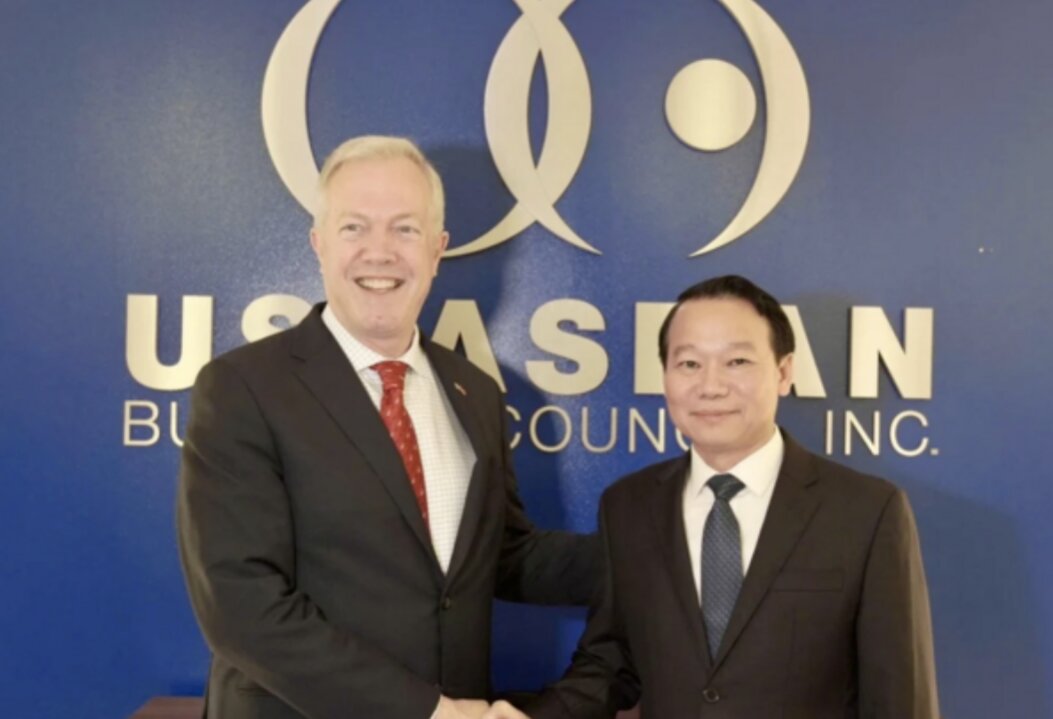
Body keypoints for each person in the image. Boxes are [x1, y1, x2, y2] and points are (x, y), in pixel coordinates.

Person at [176, 135, 597, 719]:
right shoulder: (243, 388)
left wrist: (657, 551)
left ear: (437, 249)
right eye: (355, 227)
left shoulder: (475, 392)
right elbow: (242, 607)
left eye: (405, 229)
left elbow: (502, 555)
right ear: (319, 243)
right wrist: (428, 711)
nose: (380, 252)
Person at [485, 275, 940, 719]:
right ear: (665, 376)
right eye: (689, 364)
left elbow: (899, 699)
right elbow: (611, 663)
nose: (711, 386)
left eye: (736, 362)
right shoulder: (629, 507)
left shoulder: (866, 511)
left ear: (784, 372)